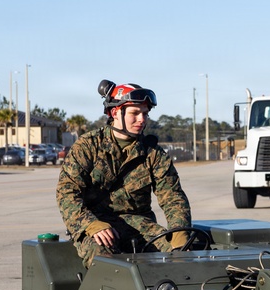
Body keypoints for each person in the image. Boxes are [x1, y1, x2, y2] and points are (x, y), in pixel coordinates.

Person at [57, 80, 192, 267]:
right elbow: (67, 193)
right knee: (105, 261)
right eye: (135, 113)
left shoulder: (153, 153)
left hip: (139, 226)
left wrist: (179, 234)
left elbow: (173, 197)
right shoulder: (88, 146)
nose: (142, 120)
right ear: (115, 113)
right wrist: (90, 224)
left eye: (145, 114)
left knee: (181, 258)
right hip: (96, 225)